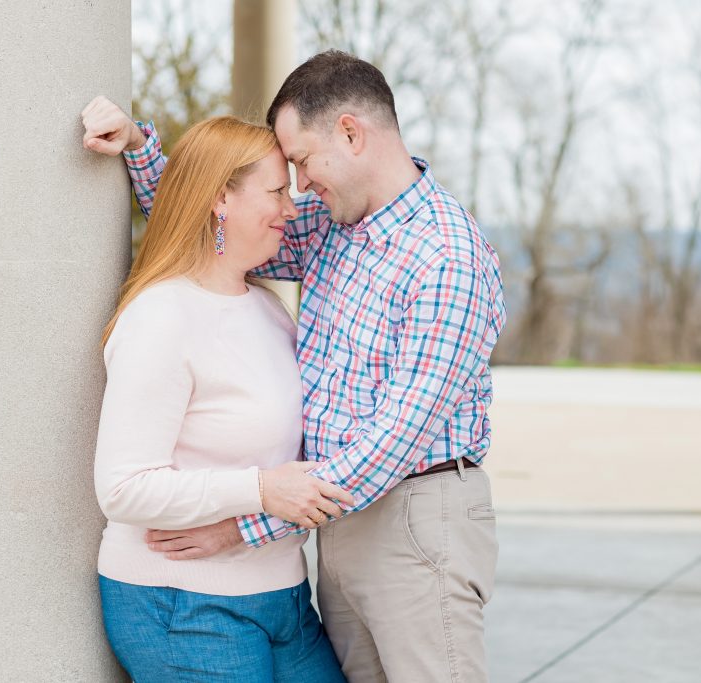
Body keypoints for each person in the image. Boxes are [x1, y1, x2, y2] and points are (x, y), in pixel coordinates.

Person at [84, 50, 507, 682]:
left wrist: (247, 523)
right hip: (329, 525)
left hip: (414, 517)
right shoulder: (333, 225)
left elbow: (395, 440)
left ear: (351, 133)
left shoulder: (445, 255)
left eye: (302, 163)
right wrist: (138, 146)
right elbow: (211, 208)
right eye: (290, 178)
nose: (299, 190)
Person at [90, 113, 351, 683]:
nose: (291, 208)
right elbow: (123, 488)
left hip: (284, 598)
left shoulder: (268, 308)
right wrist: (260, 490)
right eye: (277, 191)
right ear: (219, 201)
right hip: (181, 603)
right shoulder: (161, 317)